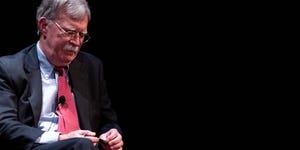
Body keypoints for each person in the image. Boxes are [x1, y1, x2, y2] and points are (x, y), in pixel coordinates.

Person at [0, 0, 123, 150]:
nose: (77, 42)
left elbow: (107, 120)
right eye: (70, 32)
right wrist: (60, 138)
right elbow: (5, 125)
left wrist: (110, 135)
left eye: (81, 35)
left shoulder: (92, 67)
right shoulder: (10, 68)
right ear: (44, 26)